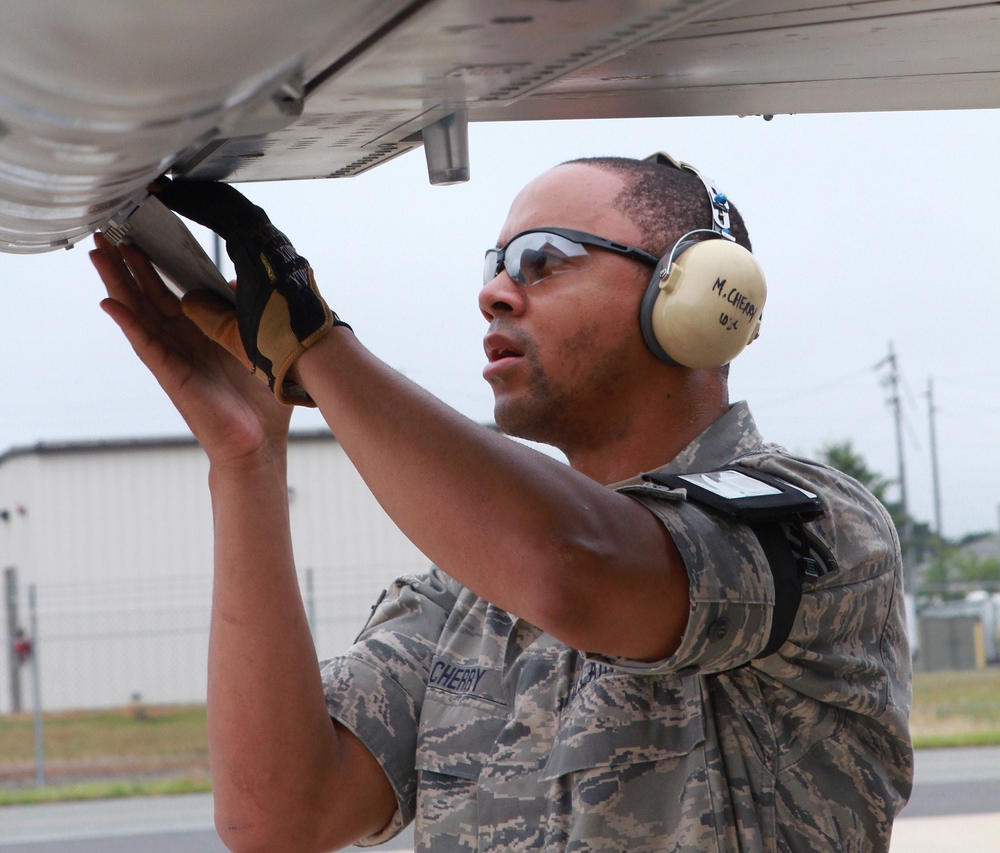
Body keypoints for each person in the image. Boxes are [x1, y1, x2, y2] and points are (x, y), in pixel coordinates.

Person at [90, 152, 912, 853]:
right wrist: (248, 459)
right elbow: (278, 812)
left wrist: (314, 347)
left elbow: (576, 567)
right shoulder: (468, 594)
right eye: (495, 263)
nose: (497, 293)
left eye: (546, 259)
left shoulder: (816, 528)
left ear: (694, 295)